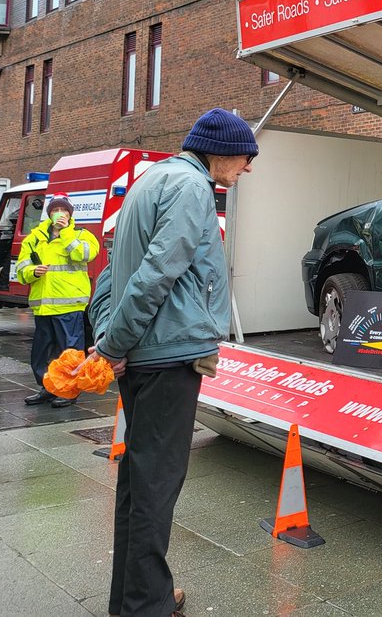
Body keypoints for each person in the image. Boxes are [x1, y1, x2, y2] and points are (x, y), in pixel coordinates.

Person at [88, 107, 257, 617]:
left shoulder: (151, 179)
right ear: (221, 152)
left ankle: (132, 598)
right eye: (246, 157)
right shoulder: (191, 188)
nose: (248, 168)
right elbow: (156, 274)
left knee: (138, 482)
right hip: (168, 355)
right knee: (156, 486)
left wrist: (110, 337)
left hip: (146, 353)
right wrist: (113, 345)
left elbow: (113, 272)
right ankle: (147, 605)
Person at [17, 196, 100, 408]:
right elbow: (21, 270)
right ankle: (48, 388)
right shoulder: (34, 238)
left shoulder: (81, 235)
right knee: (41, 353)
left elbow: (85, 254)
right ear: (49, 213)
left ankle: (69, 391)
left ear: (70, 214)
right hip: (43, 306)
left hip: (69, 305)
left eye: (64, 210)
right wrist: (32, 271)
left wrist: (65, 233)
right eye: (55, 210)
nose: (60, 213)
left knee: (69, 352)